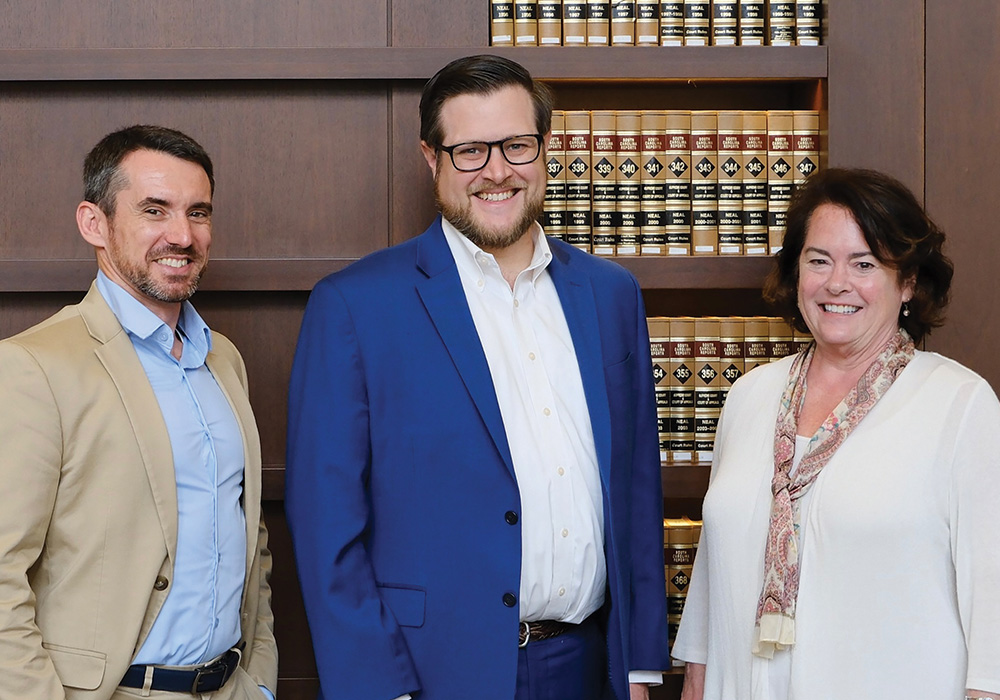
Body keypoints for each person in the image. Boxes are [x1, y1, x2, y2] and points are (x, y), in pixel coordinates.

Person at [285, 54, 670, 700]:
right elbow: (326, 527)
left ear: (545, 149)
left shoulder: (610, 297)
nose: (497, 171)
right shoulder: (356, 307)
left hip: (589, 668)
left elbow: (635, 488)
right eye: (469, 151)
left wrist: (636, 667)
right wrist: (381, 689)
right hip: (431, 675)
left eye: (516, 145)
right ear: (431, 160)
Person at [672, 167, 1000, 700]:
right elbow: (715, 575)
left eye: (864, 264)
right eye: (818, 261)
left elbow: (994, 609)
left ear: (909, 282)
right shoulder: (750, 397)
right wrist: (695, 681)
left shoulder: (958, 405)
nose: (836, 283)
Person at [0, 125, 278, 699]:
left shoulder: (223, 360)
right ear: (93, 223)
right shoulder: (33, 366)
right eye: (155, 210)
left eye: (197, 213)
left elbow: (252, 539)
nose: (182, 235)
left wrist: (260, 681)